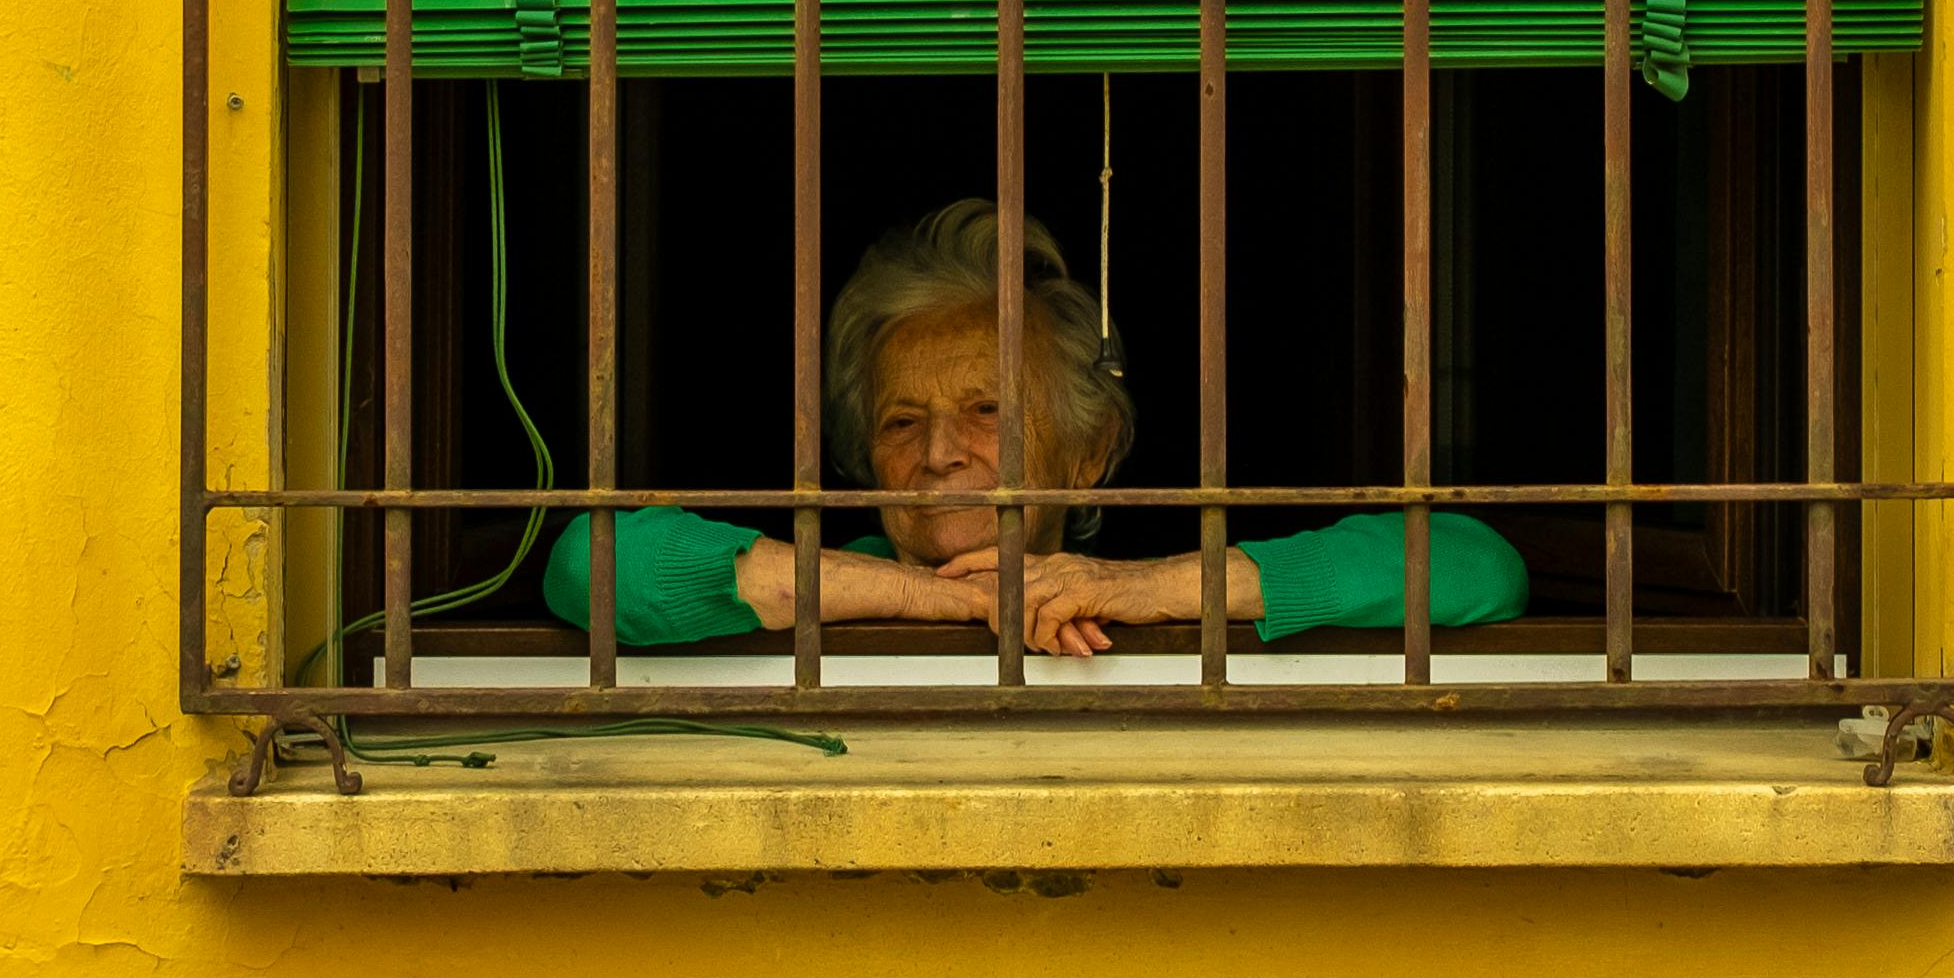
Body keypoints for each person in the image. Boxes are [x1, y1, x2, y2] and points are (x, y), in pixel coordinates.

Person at [538, 196, 1527, 654]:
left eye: (986, 411)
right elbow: (593, 563)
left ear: (1086, 449)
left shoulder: (1131, 598)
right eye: (899, 420)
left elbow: (1478, 565)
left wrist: (1128, 586)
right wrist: (953, 603)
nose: (937, 453)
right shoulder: (826, 575)